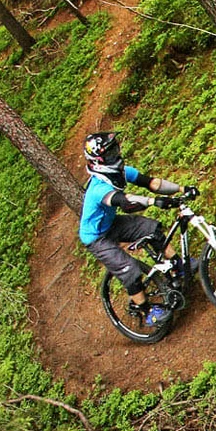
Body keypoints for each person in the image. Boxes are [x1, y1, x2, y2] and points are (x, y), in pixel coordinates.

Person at [79, 131, 194, 328]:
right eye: (111, 152)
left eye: (115, 148)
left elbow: (152, 183)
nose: (116, 154)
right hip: (96, 237)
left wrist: (182, 189)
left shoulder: (120, 173)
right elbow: (125, 202)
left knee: (151, 228)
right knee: (130, 270)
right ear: (99, 160)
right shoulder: (98, 188)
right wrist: (154, 202)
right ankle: (146, 310)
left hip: (111, 223)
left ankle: (177, 267)